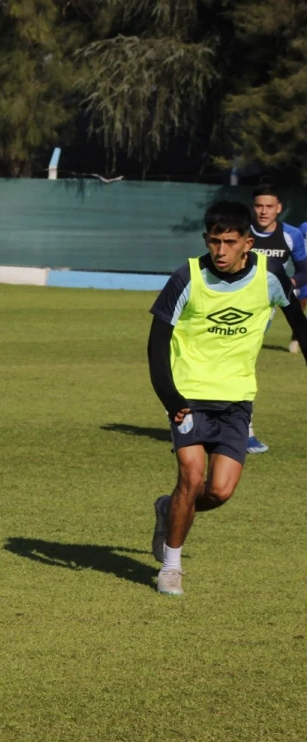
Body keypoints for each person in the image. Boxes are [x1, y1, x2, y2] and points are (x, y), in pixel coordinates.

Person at [147, 201, 307, 596]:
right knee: (192, 476)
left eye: (229, 242)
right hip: (190, 397)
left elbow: (300, 326)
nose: (220, 250)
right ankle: (171, 567)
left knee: (219, 491)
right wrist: (171, 398)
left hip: (237, 400)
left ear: (247, 243)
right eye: (213, 241)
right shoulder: (188, 276)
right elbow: (156, 345)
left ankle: (169, 511)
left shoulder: (270, 276)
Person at [245, 185, 307, 453]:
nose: (263, 211)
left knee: (242, 363)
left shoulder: (291, 235)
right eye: (259, 205)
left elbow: (305, 272)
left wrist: (287, 282)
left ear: (279, 208)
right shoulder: (242, 231)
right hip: (229, 304)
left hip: (263, 311)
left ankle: (243, 430)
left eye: (269, 206)